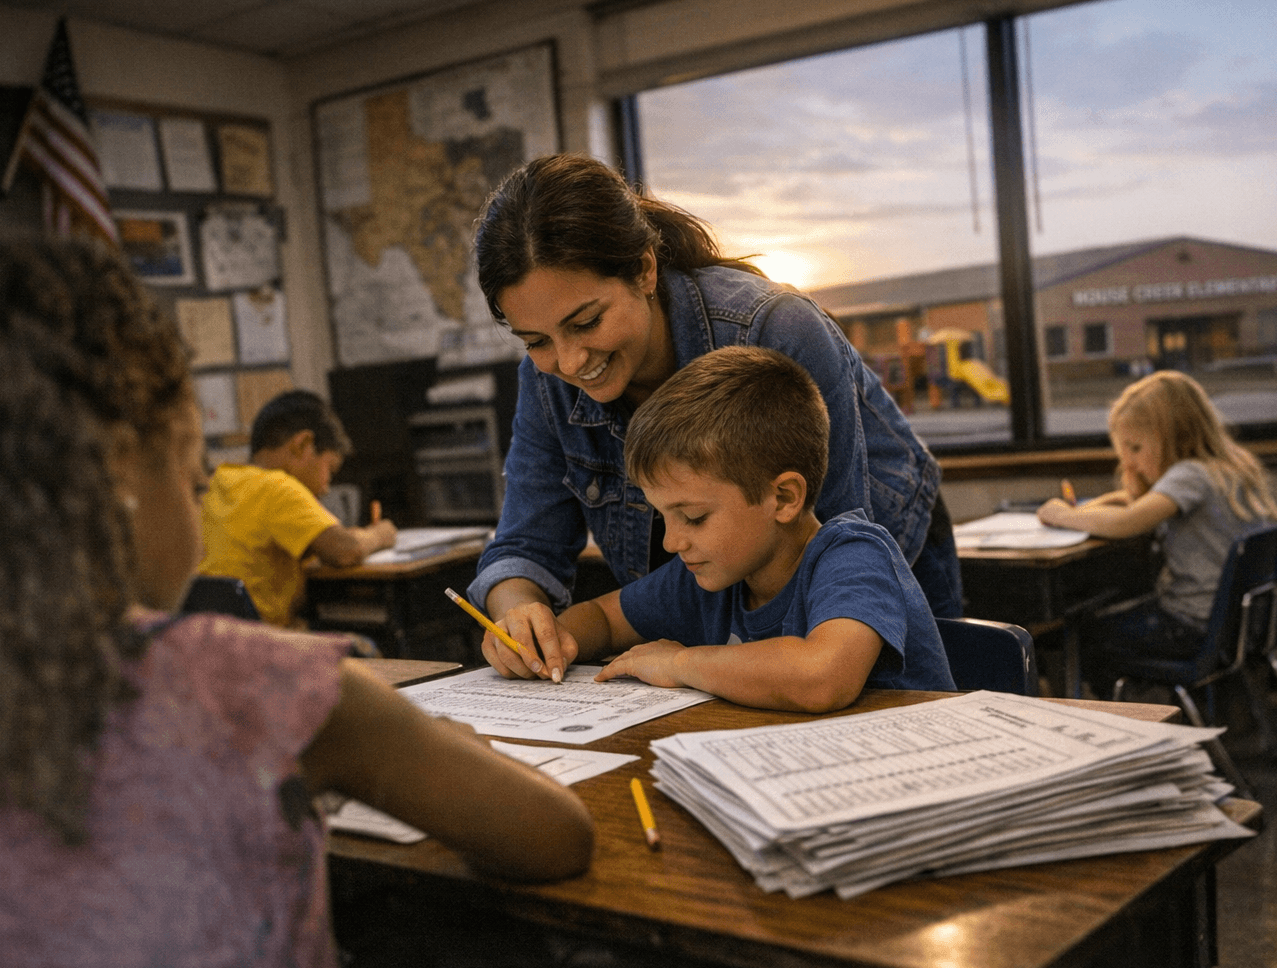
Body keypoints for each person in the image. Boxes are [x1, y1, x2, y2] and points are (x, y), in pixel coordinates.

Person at [0, 235, 593, 968]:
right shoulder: (256, 687)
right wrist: (428, 747)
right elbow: (555, 836)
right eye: (191, 473)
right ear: (122, 466)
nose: (199, 494)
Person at [466, 154, 963, 668]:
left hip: (864, 568)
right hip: (725, 587)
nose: (568, 361)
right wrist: (520, 614)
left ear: (644, 269)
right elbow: (527, 541)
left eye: (587, 322)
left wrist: (684, 665)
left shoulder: (774, 329)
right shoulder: (548, 380)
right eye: (535, 341)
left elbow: (821, 550)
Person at [482, 346, 954, 711]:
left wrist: (681, 663)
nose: (671, 541)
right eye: (664, 515)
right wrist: (541, 640)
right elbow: (604, 620)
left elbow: (821, 676)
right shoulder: (713, 574)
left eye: (693, 517)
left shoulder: (852, 555)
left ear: (784, 498)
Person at [1037, 370, 1277, 695]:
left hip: (1192, 627)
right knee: (1106, 622)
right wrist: (1086, 510)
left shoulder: (1189, 476)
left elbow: (1128, 521)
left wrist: (1063, 514)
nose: (1128, 460)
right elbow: (1133, 502)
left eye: (1136, 448)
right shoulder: (1228, 468)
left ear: (1175, 436)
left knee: (1081, 636)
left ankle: (1112, 720)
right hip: (1238, 625)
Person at [198, 389, 399, 627]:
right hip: (262, 643)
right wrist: (382, 534)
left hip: (209, 641)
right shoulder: (277, 486)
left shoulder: (217, 480)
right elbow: (345, 549)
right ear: (302, 444)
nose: (326, 487)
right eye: (330, 470)